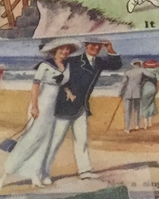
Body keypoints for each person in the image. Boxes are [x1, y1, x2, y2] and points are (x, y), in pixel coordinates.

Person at [0, 43, 77, 188]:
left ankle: (35, 175)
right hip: (41, 105)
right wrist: (34, 106)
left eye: (68, 50)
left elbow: (62, 83)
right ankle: (7, 173)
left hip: (53, 108)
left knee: (45, 142)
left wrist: (69, 93)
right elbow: (35, 86)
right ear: (55, 50)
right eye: (62, 49)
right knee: (31, 139)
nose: (65, 52)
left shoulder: (66, 66)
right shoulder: (45, 65)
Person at [48, 40, 123, 180]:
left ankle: (84, 170)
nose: (95, 47)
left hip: (82, 106)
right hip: (66, 105)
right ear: (86, 46)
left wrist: (110, 49)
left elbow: (116, 65)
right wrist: (67, 91)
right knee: (55, 140)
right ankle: (44, 171)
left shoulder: (99, 62)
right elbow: (56, 76)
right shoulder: (73, 60)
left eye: (98, 45)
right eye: (92, 45)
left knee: (81, 140)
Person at [118, 59, 147, 132]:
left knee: (127, 111)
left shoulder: (128, 72)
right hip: (137, 92)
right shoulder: (142, 71)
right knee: (137, 109)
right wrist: (141, 85)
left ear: (133, 65)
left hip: (127, 93)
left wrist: (120, 92)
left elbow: (123, 83)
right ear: (139, 64)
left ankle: (127, 128)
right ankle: (137, 125)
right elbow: (147, 79)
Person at [138, 60, 159, 128]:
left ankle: (145, 124)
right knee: (151, 104)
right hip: (152, 88)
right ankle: (150, 123)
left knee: (144, 105)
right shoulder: (156, 71)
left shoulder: (144, 71)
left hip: (145, 88)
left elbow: (139, 81)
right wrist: (157, 90)